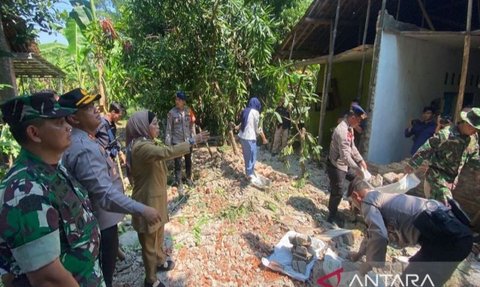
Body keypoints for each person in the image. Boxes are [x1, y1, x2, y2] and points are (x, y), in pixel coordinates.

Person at [59, 88, 161, 287]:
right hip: (101, 223)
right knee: (103, 274)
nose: (96, 110)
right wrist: (142, 209)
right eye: (88, 108)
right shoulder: (84, 148)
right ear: (73, 118)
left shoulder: (88, 138)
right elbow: (104, 193)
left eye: (94, 105)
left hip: (103, 220)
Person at [0, 94, 103, 286]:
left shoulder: (54, 168)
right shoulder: (23, 191)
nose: (68, 126)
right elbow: (48, 278)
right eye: (58, 122)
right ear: (34, 133)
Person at [126, 110, 209, 287]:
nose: (157, 127)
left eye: (157, 123)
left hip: (156, 197)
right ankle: (150, 279)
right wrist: (192, 141)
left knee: (158, 234)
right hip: (147, 201)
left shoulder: (147, 142)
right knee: (149, 242)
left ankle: (160, 260)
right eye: (154, 124)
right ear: (142, 127)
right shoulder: (142, 147)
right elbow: (166, 152)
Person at [347, 178, 473, 287]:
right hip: (456, 237)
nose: (355, 207)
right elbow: (372, 234)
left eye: (352, 203)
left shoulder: (368, 202)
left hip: (448, 241)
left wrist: (369, 264)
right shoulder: (382, 197)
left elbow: (379, 236)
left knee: (411, 281)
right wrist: (359, 255)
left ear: (355, 196)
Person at [405, 107, 480, 206]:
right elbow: (428, 147)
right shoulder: (447, 134)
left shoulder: (472, 139)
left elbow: (474, 157)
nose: (475, 132)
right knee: (444, 209)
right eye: (474, 129)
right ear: (467, 124)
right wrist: (412, 164)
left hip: (450, 182)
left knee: (440, 212)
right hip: (436, 179)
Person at [326, 104, 368, 226]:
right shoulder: (342, 131)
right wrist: (356, 168)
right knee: (338, 191)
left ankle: (352, 203)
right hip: (336, 166)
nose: (359, 123)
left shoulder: (349, 128)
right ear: (353, 117)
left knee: (356, 179)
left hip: (345, 164)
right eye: (359, 120)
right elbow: (345, 157)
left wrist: (360, 160)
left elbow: (352, 147)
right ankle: (331, 216)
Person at [165, 91, 196, 194]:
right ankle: (179, 183)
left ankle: (188, 179)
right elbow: (169, 129)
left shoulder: (189, 111)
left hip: (187, 141)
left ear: (183, 101)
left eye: (179, 100)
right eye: (176, 99)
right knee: (177, 163)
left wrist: (194, 138)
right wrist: (168, 143)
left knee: (188, 161)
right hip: (177, 142)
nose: (176, 101)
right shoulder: (171, 113)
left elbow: (192, 125)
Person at [238, 97, 268, 181]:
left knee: (247, 156)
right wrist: (263, 138)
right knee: (252, 156)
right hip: (250, 137)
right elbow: (257, 128)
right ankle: (249, 175)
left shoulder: (245, 110)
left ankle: (249, 172)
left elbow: (243, 123)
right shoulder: (256, 112)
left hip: (242, 137)